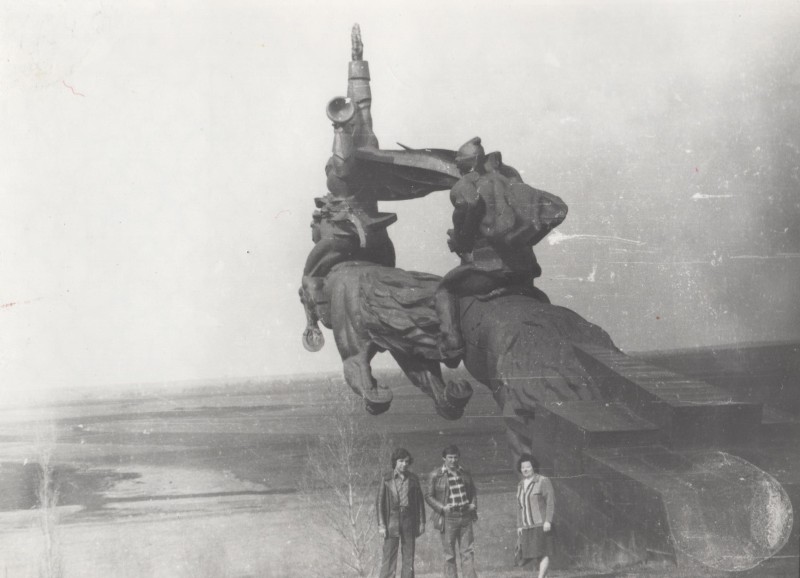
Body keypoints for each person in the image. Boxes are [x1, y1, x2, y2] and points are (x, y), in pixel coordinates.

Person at [434, 137, 567, 360]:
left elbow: (471, 204)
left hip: (491, 272)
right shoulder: (509, 181)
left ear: (465, 164)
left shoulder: (465, 185)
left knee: (444, 290)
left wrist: (462, 238)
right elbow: (551, 209)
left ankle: (452, 345)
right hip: (524, 271)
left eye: (459, 163)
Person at [425, 444, 479, 578]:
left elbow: (473, 491)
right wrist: (442, 508)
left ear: (458, 457)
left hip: (465, 516)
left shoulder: (464, 473)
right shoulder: (436, 475)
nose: (453, 460)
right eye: (450, 457)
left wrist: (473, 504)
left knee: (467, 552)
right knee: (449, 554)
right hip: (448, 517)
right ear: (444, 458)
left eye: (455, 457)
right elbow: (428, 496)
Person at [376, 448, 426, 578]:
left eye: (407, 461)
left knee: (409, 557)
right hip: (391, 522)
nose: (404, 464)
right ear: (395, 462)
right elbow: (379, 503)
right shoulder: (386, 479)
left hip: (409, 521)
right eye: (401, 461)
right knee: (389, 558)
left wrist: (422, 522)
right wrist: (381, 525)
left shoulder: (413, 479)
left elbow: (420, 502)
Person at [515, 454, 554, 578]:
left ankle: (541, 577)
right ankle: (544, 576)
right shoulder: (520, 485)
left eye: (528, 467)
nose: (525, 470)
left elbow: (550, 502)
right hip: (527, 525)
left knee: (543, 552)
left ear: (534, 467)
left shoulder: (543, 481)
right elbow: (519, 507)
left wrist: (548, 520)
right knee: (535, 554)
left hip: (541, 524)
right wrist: (519, 525)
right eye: (523, 467)